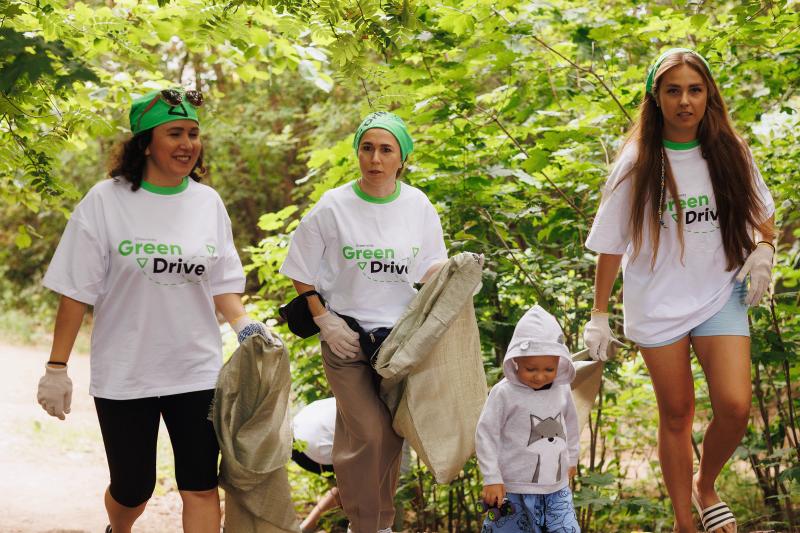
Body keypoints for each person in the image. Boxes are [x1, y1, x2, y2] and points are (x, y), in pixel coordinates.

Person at [35, 88, 270, 533]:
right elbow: (75, 291)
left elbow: (222, 284)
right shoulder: (105, 201)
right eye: (175, 133)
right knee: (133, 487)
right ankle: (118, 528)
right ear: (145, 142)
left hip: (196, 369)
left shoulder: (207, 203)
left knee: (200, 485)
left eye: (194, 134)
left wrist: (244, 324)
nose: (188, 144)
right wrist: (56, 366)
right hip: (126, 371)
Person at [582, 48, 776, 533]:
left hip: (718, 293)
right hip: (657, 302)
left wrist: (764, 250)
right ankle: (685, 522)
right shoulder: (638, 161)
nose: (684, 101)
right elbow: (610, 244)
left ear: (708, 94)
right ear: (656, 97)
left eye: (694, 89)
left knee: (734, 405)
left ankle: (705, 485)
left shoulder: (730, 149)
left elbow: (762, 215)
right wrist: (599, 313)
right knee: (677, 413)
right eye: (673, 91)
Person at [280, 111, 448, 533]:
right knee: (368, 433)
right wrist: (323, 320)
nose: (374, 158)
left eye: (386, 149)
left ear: (401, 158)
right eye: (367, 147)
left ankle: (377, 526)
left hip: (399, 342)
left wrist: (454, 273)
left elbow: (430, 266)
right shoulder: (334, 205)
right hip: (346, 339)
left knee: (391, 435)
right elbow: (299, 264)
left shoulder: (417, 205)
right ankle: (365, 525)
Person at [476, 305, 580, 533]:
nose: (540, 376)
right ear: (516, 361)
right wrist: (491, 477)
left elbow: (571, 424)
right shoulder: (504, 393)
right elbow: (486, 434)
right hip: (512, 489)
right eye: (531, 369)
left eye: (549, 369)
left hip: (556, 488)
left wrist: (572, 458)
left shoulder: (562, 389)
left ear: (559, 362)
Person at [291, 397, 340, 533]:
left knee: (349, 485)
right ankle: (306, 527)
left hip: (300, 425)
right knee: (352, 486)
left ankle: (306, 527)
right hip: (315, 446)